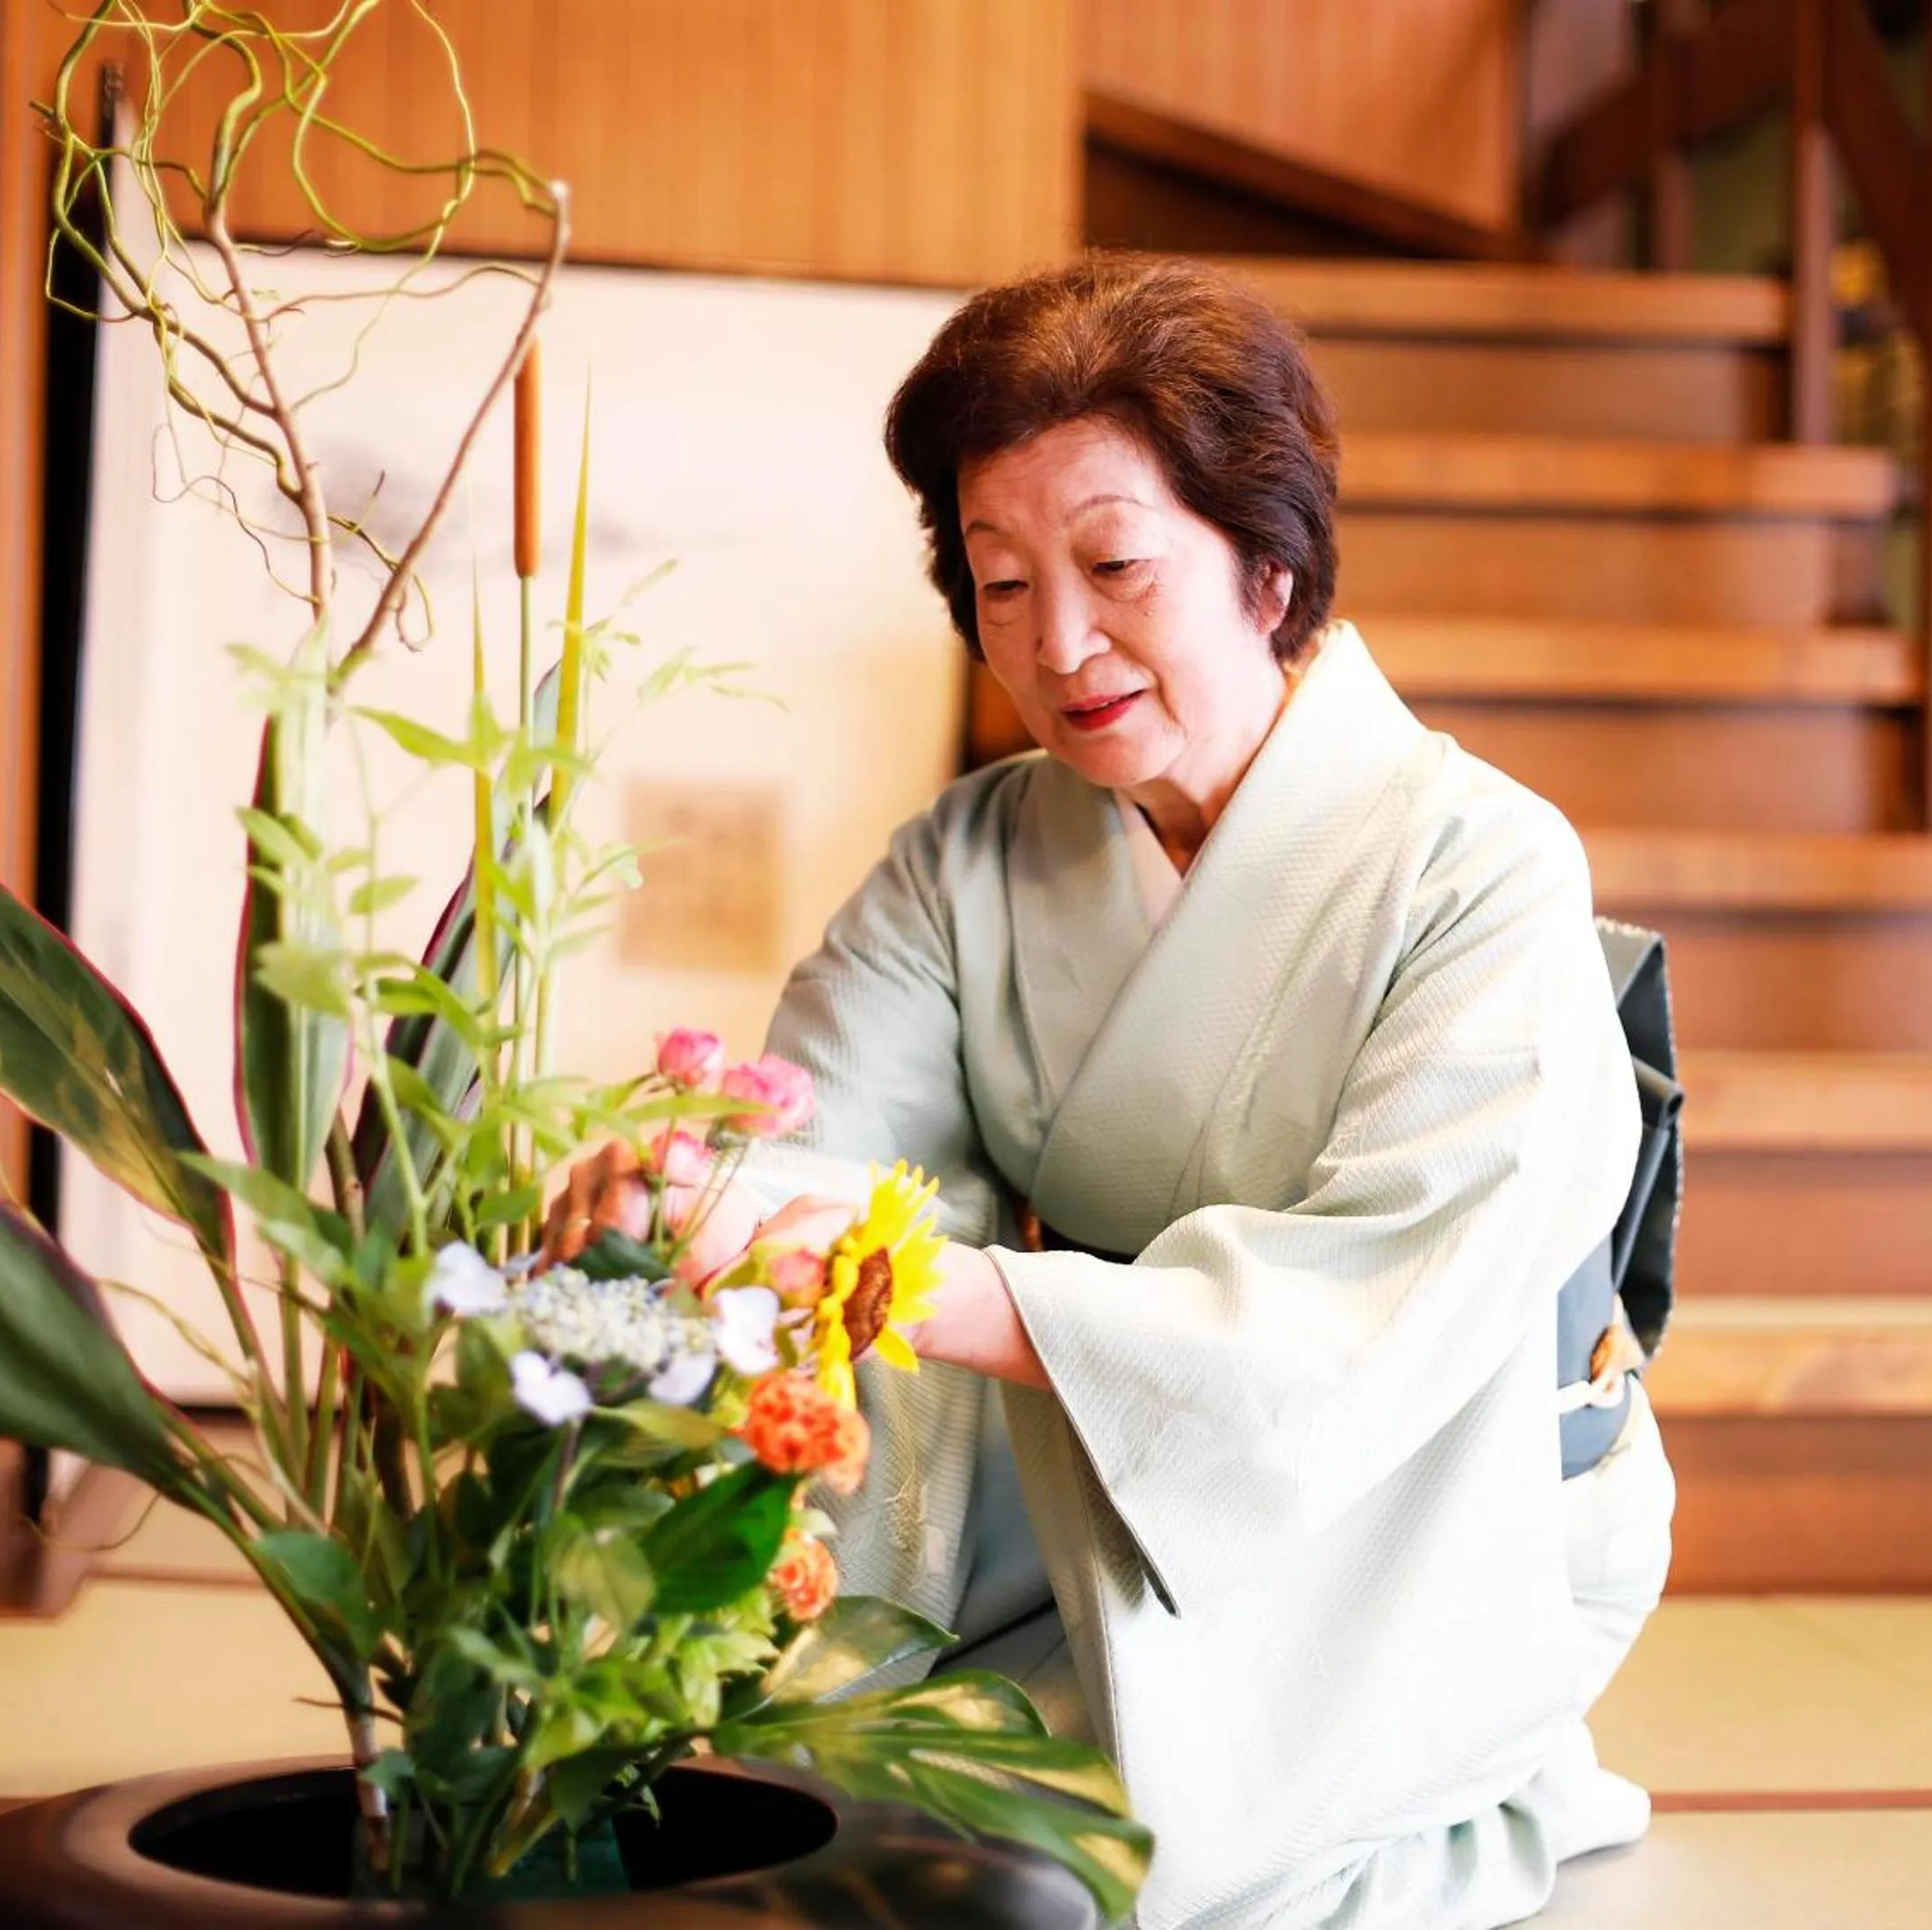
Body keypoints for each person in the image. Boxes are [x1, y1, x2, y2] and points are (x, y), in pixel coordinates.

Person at [636, 256, 1674, 1929]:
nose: (1059, 641)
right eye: (1000, 581)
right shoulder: (967, 860)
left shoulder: (1479, 868)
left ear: (1268, 566)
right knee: (753, 1765)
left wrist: (941, 1282)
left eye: (1115, 563)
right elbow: (806, 1152)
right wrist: (686, 1208)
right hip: (1064, 1486)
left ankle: (1421, 1786)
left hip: (1409, 1495)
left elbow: (1379, 1325)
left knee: (1084, 1873)